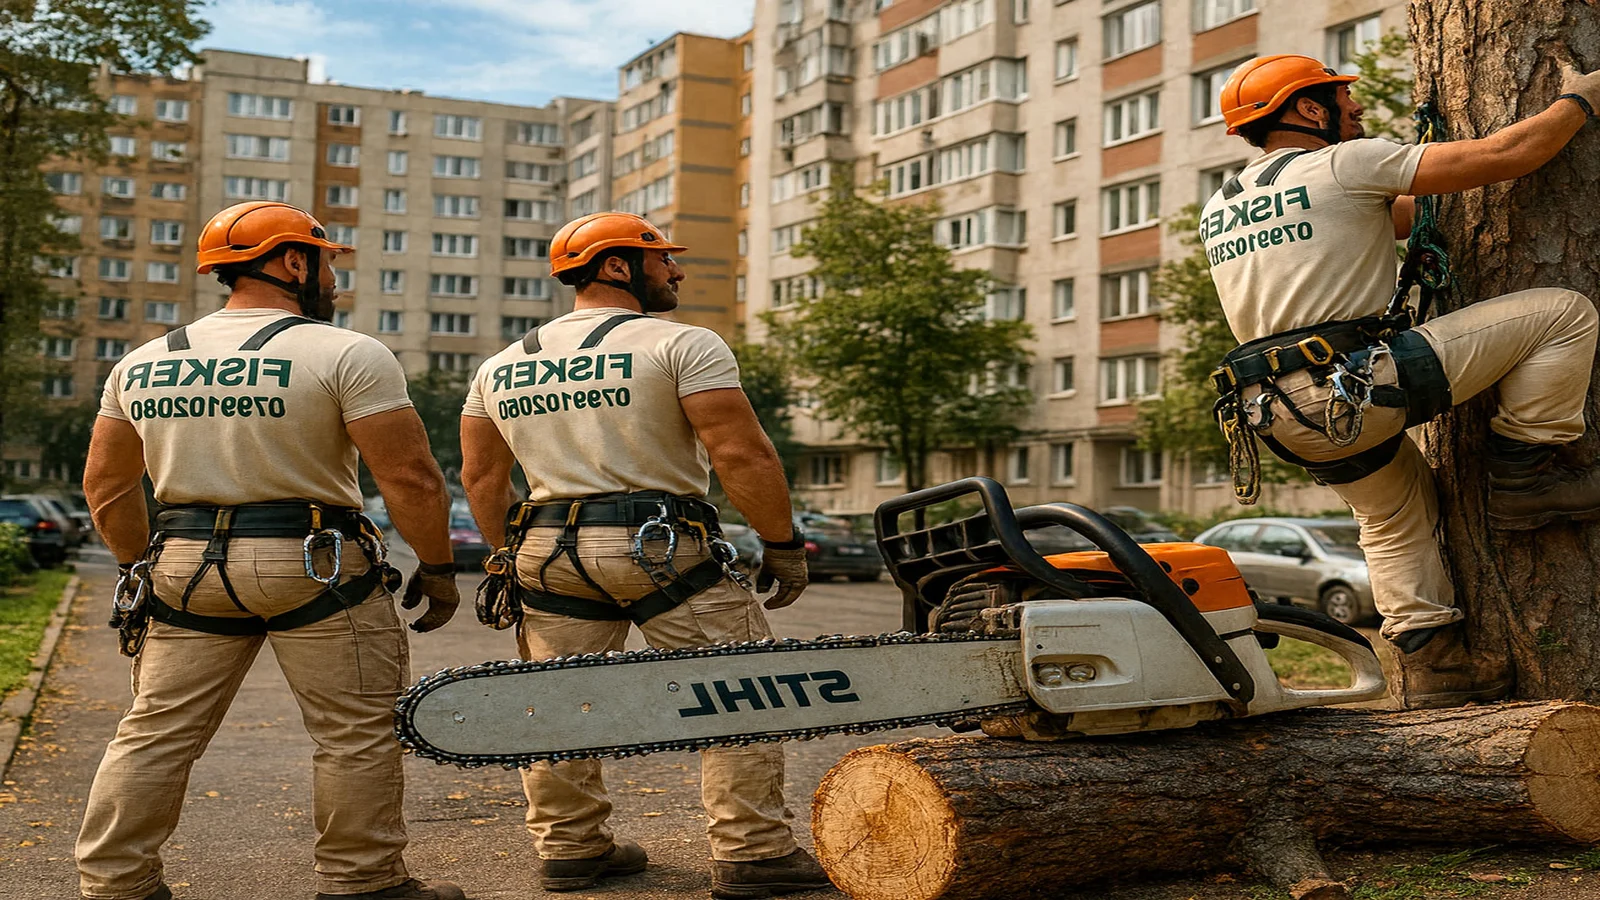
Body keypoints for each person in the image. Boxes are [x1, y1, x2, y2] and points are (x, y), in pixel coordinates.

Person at [76, 201, 466, 900]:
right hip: (315, 563)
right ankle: (362, 881)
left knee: (155, 732)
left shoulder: (141, 364)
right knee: (353, 732)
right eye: (327, 263)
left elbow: (105, 486)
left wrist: (139, 568)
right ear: (292, 262)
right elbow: (411, 477)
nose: (334, 279)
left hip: (185, 565)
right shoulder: (345, 353)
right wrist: (437, 567)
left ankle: (115, 882)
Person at [1204, 55, 1600, 709]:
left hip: (1274, 411)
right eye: (1344, 99)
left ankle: (1437, 666)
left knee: (1390, 514)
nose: (1356, 109)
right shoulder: (1343, 165)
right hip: (1352, 385)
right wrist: (1579, 101)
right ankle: (1526, 475)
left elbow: (1400, 215)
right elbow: (1510, 155)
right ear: (1309, 109)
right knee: (1564, 313)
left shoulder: (1221, 206)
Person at [459, 212, 829, 899]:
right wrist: (782, 544)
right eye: (663, 259)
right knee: (740, 691)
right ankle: (752, 852)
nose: (677, 271)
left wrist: (507, 557)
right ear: (616, 266)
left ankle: (570, 849)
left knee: (560, 702)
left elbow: (481, 478)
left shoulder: (500, 366)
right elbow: (740, 452)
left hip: (547, 549)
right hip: (661, 544)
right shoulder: (683, 345)